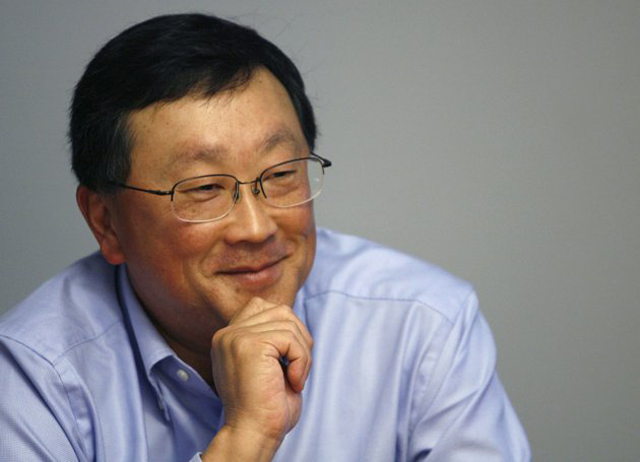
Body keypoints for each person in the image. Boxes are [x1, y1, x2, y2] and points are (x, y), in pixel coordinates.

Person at [0, 13, 530, 461]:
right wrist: (245, 439)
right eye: (204, 188)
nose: (257, 228)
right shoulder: (34, 379)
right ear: (106, 222)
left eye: (280, 175)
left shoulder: (421, 325)